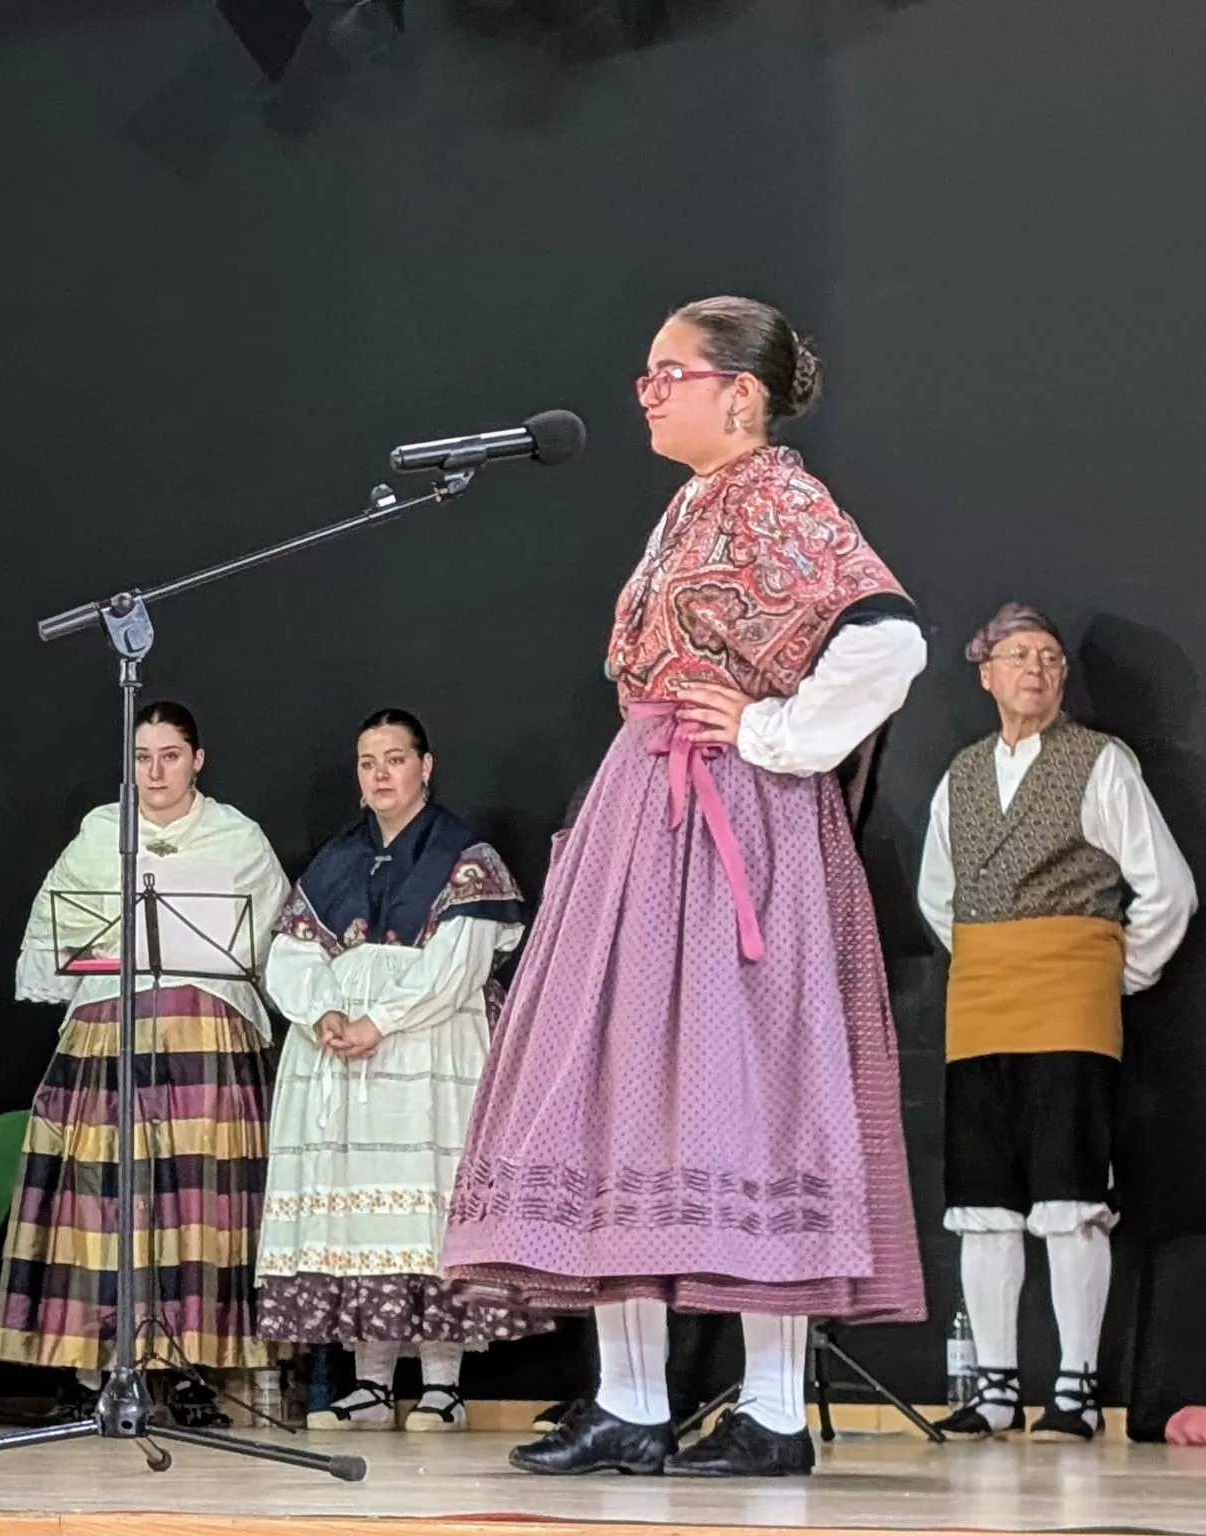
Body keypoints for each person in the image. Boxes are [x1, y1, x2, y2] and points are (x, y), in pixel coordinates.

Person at [446, 296, 928, 1478]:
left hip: (731, 823)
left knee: (742, 1083)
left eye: (670, 372)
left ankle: (770, 1409)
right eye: (648, 372)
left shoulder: (780, 497)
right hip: (648, 814)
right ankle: (632, 1398)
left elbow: (890, 640)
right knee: (624, 1082)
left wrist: (774, 731)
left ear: (740, 392)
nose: (647, 391)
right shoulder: (694, 503)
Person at [918, 603, 1194, 1441]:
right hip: (983, 1005)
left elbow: (1169, 888)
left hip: (1070, 1003)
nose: (1035, 670)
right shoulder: (961, 775)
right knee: (984, 1202)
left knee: (1071, 1195)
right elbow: (942, 894)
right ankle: (995, 1389)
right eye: (1017, 657)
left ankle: (1075, 1388)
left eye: (1049, 658)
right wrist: (991, 958)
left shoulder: (1100, 763)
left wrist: (1110, 971)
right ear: (985, 673)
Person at [0, 702, 288, 1425]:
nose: (155, 772)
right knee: (105, 1203)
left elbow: (268, 942)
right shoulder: (100, 834)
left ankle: (195, 1368)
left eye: (170, 755)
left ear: (198, 759)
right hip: (109, 1034)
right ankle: (100, 1367)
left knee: (197, 1206)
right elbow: (56, 935)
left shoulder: (237, 837)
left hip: (204, 1043)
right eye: (142, 757)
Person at [258, 709, 529, 1433]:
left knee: (426, 1203)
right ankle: (370, 1383)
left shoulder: (465, 857)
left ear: (426, 766)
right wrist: (321, 1014)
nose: (380, 774)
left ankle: (442, 1384)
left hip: (426, 1049)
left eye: (395, 759)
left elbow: (459, 963)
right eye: (367, 762)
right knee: (356, 1206)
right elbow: (290, 952)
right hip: (340, 1055)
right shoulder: (335, 860)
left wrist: (382, 1020)